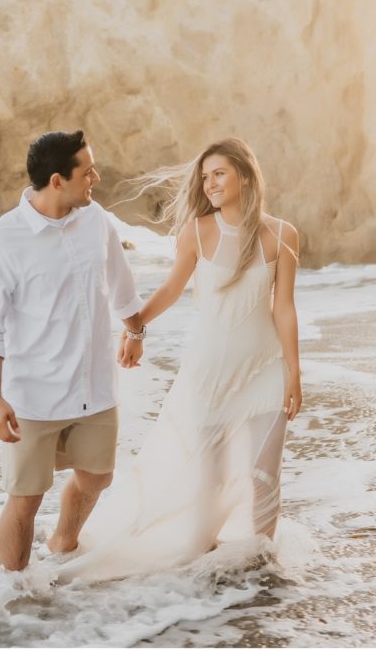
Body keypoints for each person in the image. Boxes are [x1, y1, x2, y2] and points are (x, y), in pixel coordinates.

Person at [59, 137, 302, 582]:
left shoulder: (283, 235)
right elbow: (171, 289)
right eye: (205, 177)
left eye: (219, 174)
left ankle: (265, 568)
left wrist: (294, 372)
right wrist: (135, 327)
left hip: (264, 369)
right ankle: (202, 568)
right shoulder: (197, 231)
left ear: (245, 177)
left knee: (265, 475)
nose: (210, 184)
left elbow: (283, 308)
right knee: (208, 479)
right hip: (208, 374)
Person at [0, 130, 146, 572]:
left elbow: (121, 286)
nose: (96, 178)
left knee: (98, 478)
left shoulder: (97, 220)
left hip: (95, 385)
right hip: (34, 396)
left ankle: (63, 541)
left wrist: (135, 332)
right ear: (57, 180)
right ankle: (11, 593)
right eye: (87, 171)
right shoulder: (2, 240)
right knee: (25, 499)